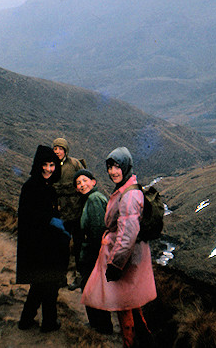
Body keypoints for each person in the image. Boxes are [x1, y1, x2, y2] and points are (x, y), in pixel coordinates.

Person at [81, 147, 156, 347]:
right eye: (110, 167)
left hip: (125, 258)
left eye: (117, 167)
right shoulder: (127, 188)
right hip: (130, 256)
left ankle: (129, 343)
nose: (113, 171)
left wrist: (116, 264)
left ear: (126, 167)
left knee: (124, 304)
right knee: (132, 301)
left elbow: (127, 235)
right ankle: (146, 338)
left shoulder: (129, 195)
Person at [16, 145, 71, 333]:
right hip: (40, 245)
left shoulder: (48, 187)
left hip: (47, 244)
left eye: (52, 165)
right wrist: (52, 221)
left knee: (40, 284)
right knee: (49, 285)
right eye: (45, 165)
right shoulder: (31, 186)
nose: (48, 169)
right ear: (38, 165)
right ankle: (48, 323)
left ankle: (26, 320)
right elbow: (27, 216)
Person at [74, 169, 113, 334]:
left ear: (93, 182)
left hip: (94, 253)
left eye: (84, 180)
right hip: (94, 253)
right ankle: (100, 324)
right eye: (78, 183)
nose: (82, 185)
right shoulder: (90, 199)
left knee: (92, 288)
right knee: (93, 288)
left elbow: (98, 230)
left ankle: (101, 326)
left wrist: (95, 257)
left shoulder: (94, 199)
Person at [52, 137, 85, 287]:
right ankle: (61, 277)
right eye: (55, 148)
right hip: (61, 214)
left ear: (66, 150)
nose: (58, 151)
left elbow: (84, 181)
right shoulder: (51, 166)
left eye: (60, 148)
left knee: (79, 245)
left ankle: (80, 276)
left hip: (76, 212)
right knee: (62, 246)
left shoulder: (74, 163)